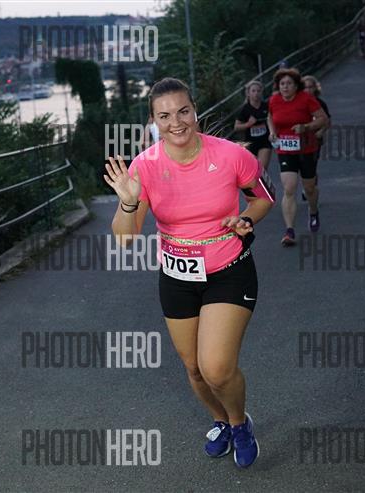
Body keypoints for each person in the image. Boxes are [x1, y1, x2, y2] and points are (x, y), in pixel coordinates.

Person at [104, 77, 275, 467]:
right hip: (178, 278)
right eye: (164, 116)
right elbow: (125, 239)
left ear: (195, 111)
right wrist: (128, 204)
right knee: (195, 369)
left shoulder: (230, 155)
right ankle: (220, 421)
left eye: (183, 111)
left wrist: (246, 219)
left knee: (216, 367)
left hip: (229, 270)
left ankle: (240, 423)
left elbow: (263, 198)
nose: (176, 122)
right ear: (153, 121)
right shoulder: (145, 166)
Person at [267, 68, 329, 245]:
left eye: (289, 84)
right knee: (289, 189)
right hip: (285, 150)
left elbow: (323, 119)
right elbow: (270, 116)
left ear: (296, 86)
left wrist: (306, 127)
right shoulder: (274, 100)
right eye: (282, 84)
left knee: (309, 188)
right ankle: (289, 231)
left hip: (307, 149)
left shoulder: (306, 99)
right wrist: (272, 132)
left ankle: (313, 211)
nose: (285, 87)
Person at [301, 75, 332, 202]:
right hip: (299, 139)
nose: (308, 90)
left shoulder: (320, 103)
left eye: (310, 87)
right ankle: (307, 186)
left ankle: (310, 189)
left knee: (311, 166)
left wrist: (321, 131)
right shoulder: (297, 103)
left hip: (314, 140)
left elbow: (327, 121)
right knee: (301, 165)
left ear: (315, 88)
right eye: (305, 87)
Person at [234, 80, 272, 171]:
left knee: (262, 170)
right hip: (250, 143)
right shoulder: (245, 109)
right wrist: (248, 124)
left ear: (261, 92)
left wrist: (272, 133)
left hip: (265, 142)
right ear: (248, 93)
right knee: (253, 171)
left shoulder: (266, 106)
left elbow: (272, 120)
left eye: (258, 91)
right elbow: (236, 127)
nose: (256, 93)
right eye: (253, 91)